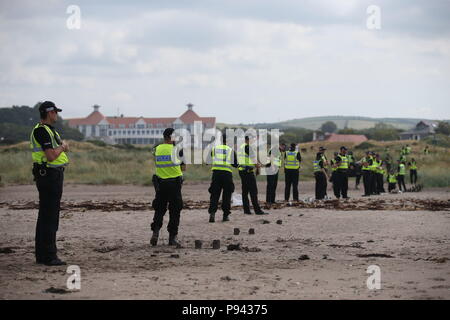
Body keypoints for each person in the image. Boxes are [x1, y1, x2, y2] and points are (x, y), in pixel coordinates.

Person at [30, 101, 69, 266]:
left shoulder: (47, 130)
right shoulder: (42, 131)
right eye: (56, 112)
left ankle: (42, 255)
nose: (57, 115)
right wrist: (63, 147)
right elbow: (51, 156)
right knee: (50, 217)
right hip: (49, 176)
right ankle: (49, 256)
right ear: (50, 113)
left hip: (50, 175)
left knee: (46, 216)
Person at [150, 128, 185, 247]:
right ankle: (172, 237)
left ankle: (155, 232)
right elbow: (183, 168)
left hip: (160, 184)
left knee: (159, 209)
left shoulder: (157, 149)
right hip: (174, 184)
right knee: (175, 210)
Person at [207, 134, 238, 223]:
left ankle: (212, 213)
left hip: (216, 174)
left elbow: (208, 161)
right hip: (227, 175)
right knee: (227, 195)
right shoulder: (231, 150)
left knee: (214, 194)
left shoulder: (214, 149)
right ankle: (225, 215)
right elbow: (235, 165)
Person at [238, 136, 267, 215]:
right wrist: (259, 165)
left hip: (242, 171)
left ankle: (246, 210)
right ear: (248, 140)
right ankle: (257, 210)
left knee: (245, 191)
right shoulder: (248, 147)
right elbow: (254, 160)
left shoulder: (240, 147)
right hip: (248, 172)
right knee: (253, 191)